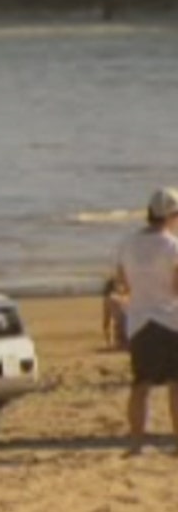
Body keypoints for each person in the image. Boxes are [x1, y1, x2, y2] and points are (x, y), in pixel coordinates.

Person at [115, 187, 178, 457]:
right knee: (176, 385)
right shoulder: (172, 246)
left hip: (139, 319)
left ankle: (136, 443)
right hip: (170, 318)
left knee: (141, 385)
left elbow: (123, 283)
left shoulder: (128, 244)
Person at [101, 276, 129, 351]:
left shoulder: (108, 299)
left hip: (123, 327)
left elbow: (106, 323)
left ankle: (123, 342)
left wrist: (108, 342)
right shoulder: (123, 297)